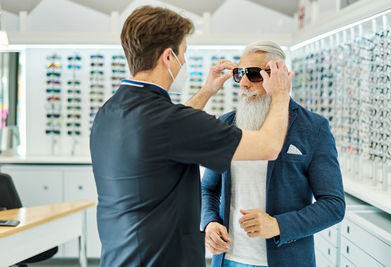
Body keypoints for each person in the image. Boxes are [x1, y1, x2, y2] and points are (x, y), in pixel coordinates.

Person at [90, 6, 294, 267]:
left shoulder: (109, 112)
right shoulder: (169, 121)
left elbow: (170, 129)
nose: (184, 62)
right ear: (168, 57)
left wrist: (207, 91)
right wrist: (280, 94)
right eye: (183, 53)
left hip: (119, 257)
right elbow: (268, 146)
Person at [201, 41, 345, 267]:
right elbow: (208, 188)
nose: (244, 84)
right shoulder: (227, 124)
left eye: (254, 75)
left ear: (279, 76)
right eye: (239, 74)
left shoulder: (312, 128)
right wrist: (209, 223)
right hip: (228, 260)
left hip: (286, 260)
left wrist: (278, 225)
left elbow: (333, 205)